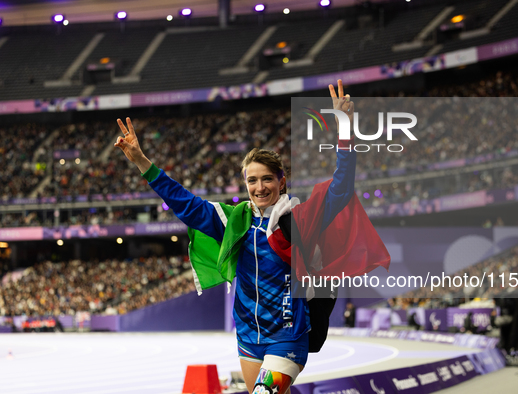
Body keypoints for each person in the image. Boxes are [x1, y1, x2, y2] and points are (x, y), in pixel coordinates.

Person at [114, 80, 390, 394]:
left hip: (288, 335)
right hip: (248, 336)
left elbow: (341, 188)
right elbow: (185, 204)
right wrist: (141, 162)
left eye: (267, 179)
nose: (259, 187)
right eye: (252, 180)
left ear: (282, 181)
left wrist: (344, 130)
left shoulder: (301, 218)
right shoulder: (234, 220)